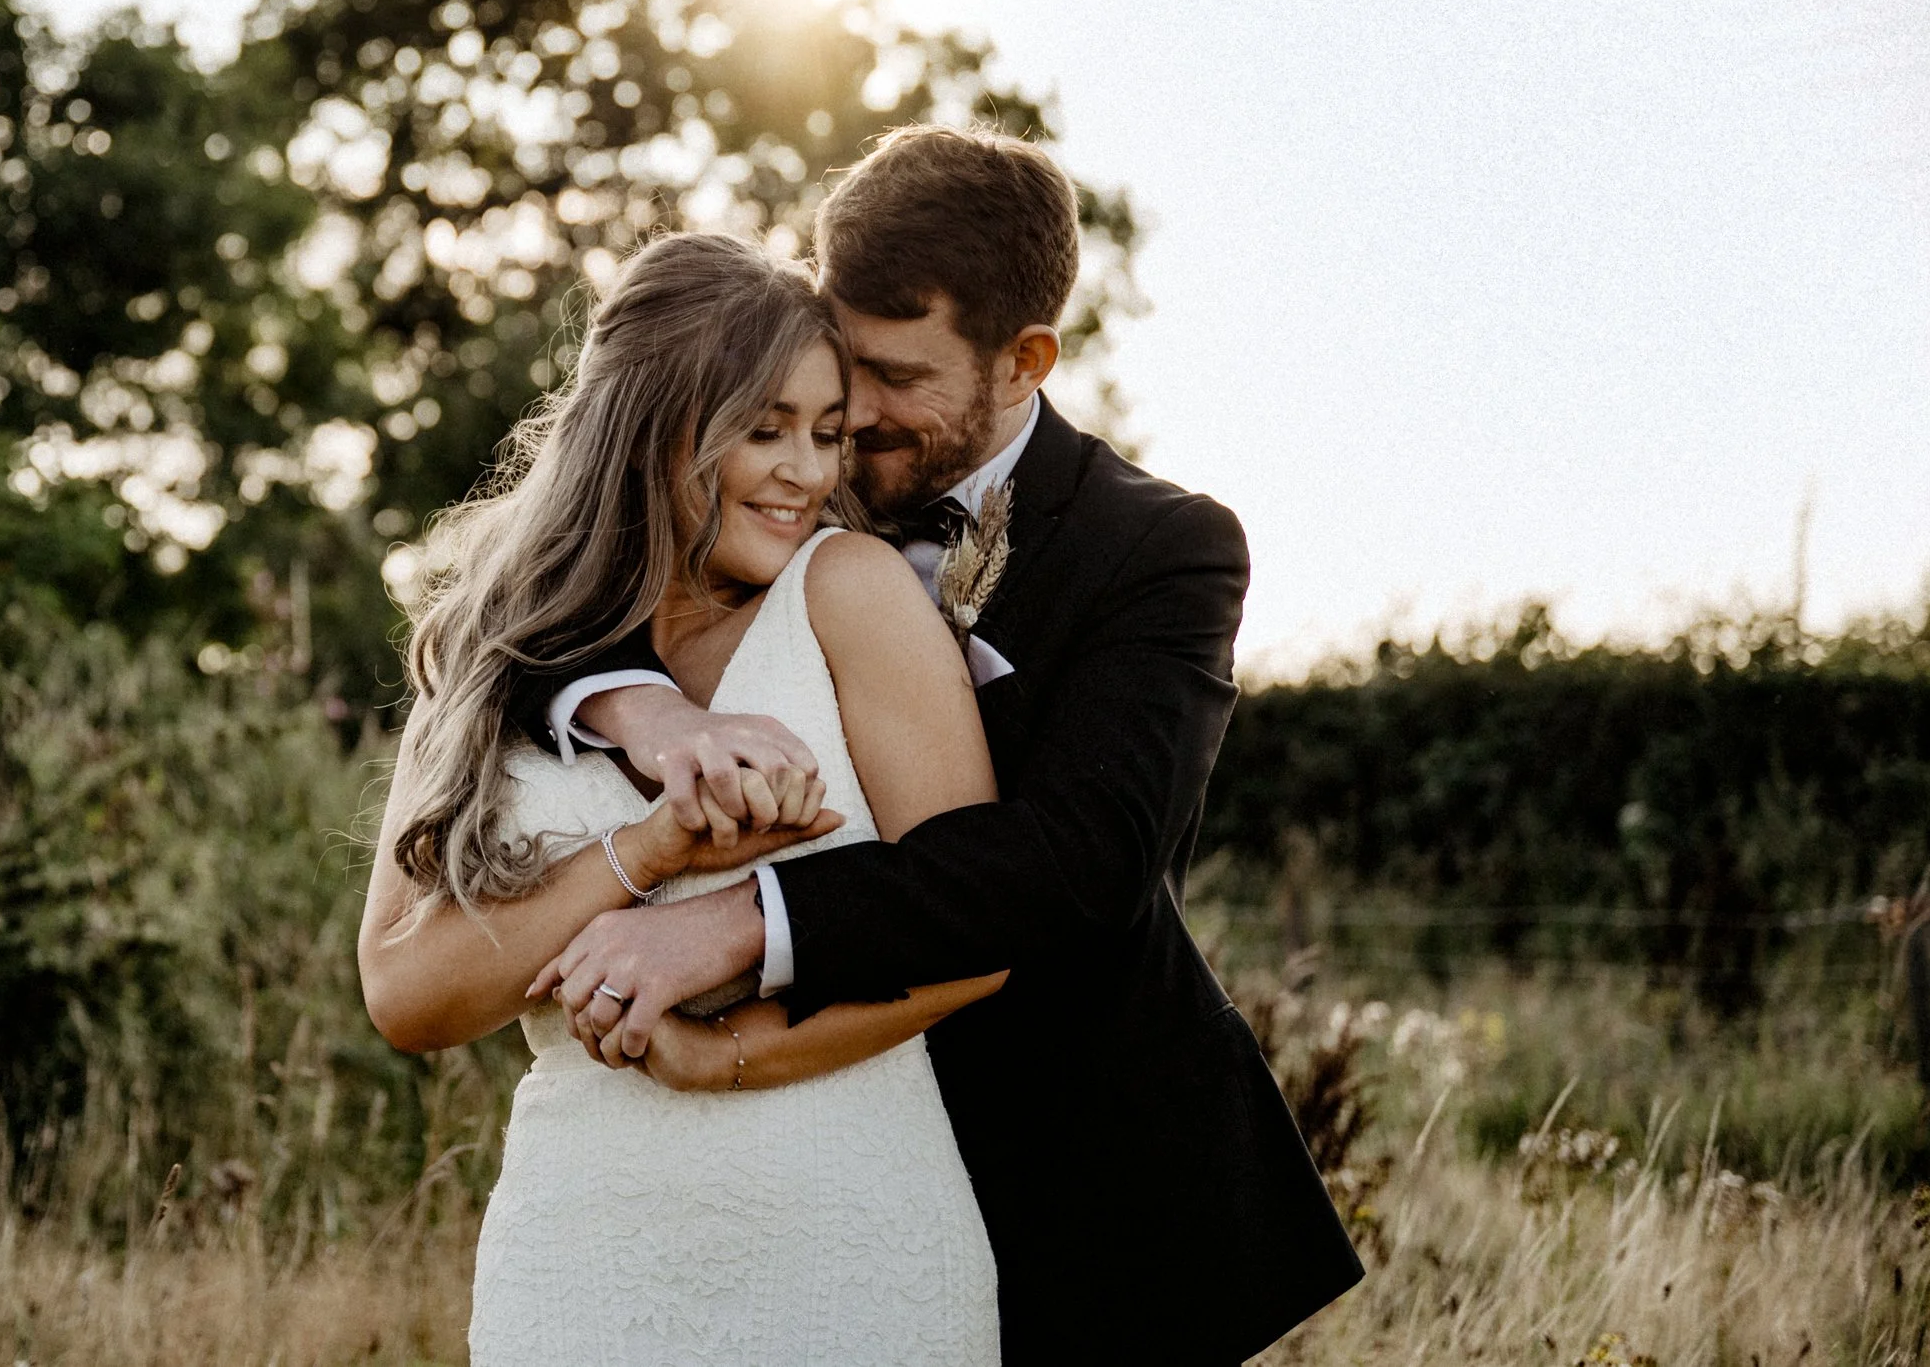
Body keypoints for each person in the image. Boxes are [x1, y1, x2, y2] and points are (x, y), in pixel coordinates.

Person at [525, 126, 1366, 1365]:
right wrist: (640, 706)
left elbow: (1082, 859)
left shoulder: (1162, 548)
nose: (847, 418)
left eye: (896, 374)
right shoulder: (790, 463)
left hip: (1076, 1165)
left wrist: (742, 918)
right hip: (815, 1155)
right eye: (836, 364)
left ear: (1025, 359)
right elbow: (542, 597)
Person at [359, 232, 1006, 1365]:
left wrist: (733, 1055)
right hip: (583, 1252)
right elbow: (410, 997)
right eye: (764, 430)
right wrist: (647, 851)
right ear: (649, 425)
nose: (808, 472)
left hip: (854, 1240)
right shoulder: (491, 656)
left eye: (828, 433)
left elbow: (981, 931)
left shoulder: (848, 593)